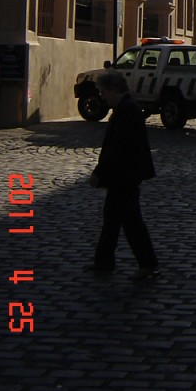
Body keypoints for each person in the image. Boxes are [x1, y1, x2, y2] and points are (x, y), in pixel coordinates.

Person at [85, 70, 159, 279]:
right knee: (112, 219)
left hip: (125, 175)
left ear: (114, 89)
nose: (102, 97)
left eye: (103, 92)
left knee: (131, 221)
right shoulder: (126, 107)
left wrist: (99, 172)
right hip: (123, 175)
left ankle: (147, 263)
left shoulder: (128, 109)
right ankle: (104, 261)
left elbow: (118, 146)